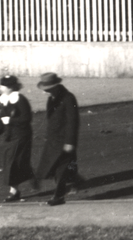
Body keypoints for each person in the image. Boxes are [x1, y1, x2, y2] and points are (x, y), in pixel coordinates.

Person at [34, 72, 82, 206]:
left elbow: (73, 121)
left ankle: (58, 196)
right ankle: (74, 182)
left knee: (61, 168)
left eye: (48, 89)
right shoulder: (51, 99)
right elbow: (51, 120)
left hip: (64, 140)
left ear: (55, 86)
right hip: (53, 140)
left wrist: (70, 142)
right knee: (57, 167)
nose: (46, 92)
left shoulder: (68, 98)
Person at [0, 75, 36, 202]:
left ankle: (14, 192)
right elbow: (1, 119)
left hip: (21, 136)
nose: (0, 88)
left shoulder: (20, 100)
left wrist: (11, 120)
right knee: (13, 162)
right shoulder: (4, 99)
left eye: (2, 86)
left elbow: (27, 118)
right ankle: (30, 177)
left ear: (9, 87)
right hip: (10, 136)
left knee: (11, 162)